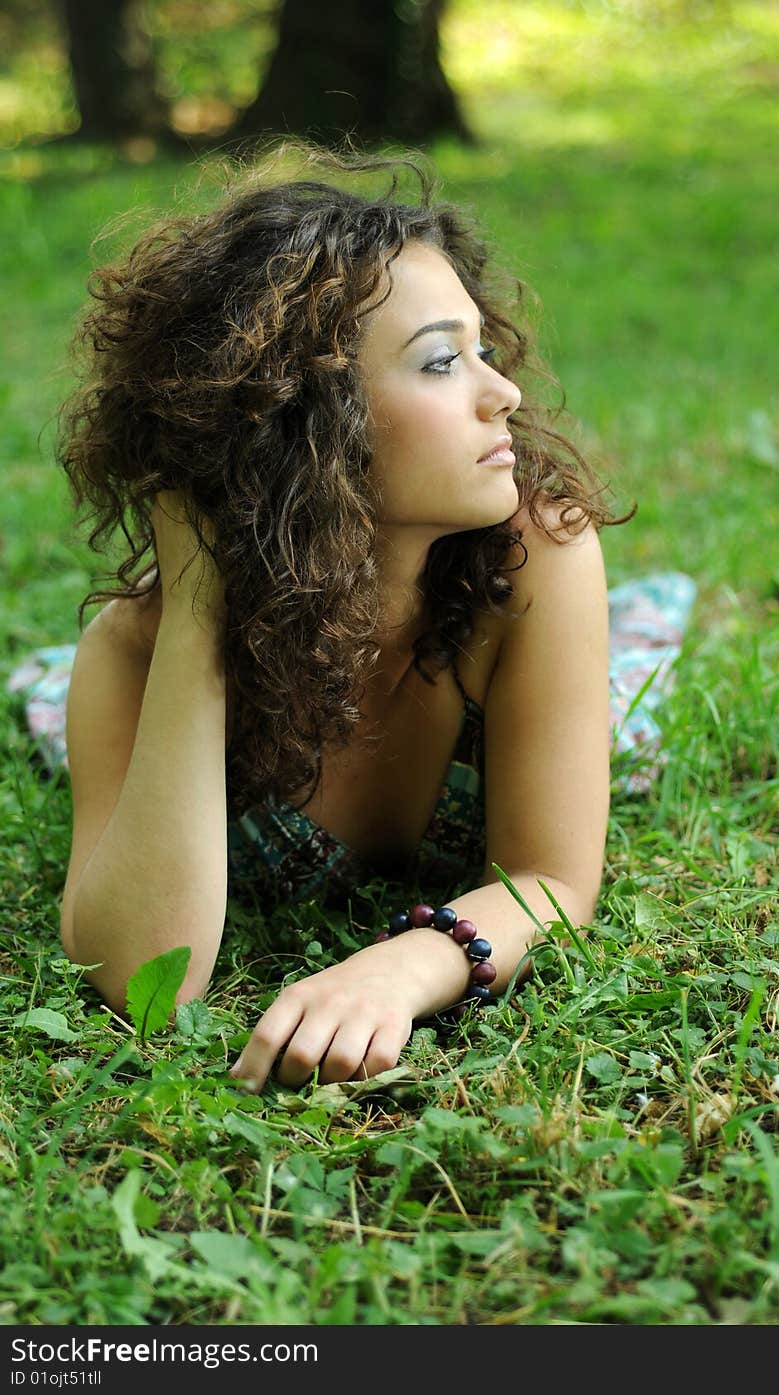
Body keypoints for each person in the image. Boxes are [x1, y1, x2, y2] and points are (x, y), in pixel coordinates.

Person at [17, 145, 693, 1095]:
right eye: (442, 362)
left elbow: (550, 877)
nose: (502, 393)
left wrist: (402, 964)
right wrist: (202, 616)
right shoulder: (133, 654)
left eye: (483, 350)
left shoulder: (535, 559)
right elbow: (142, 981)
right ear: (304, 423)